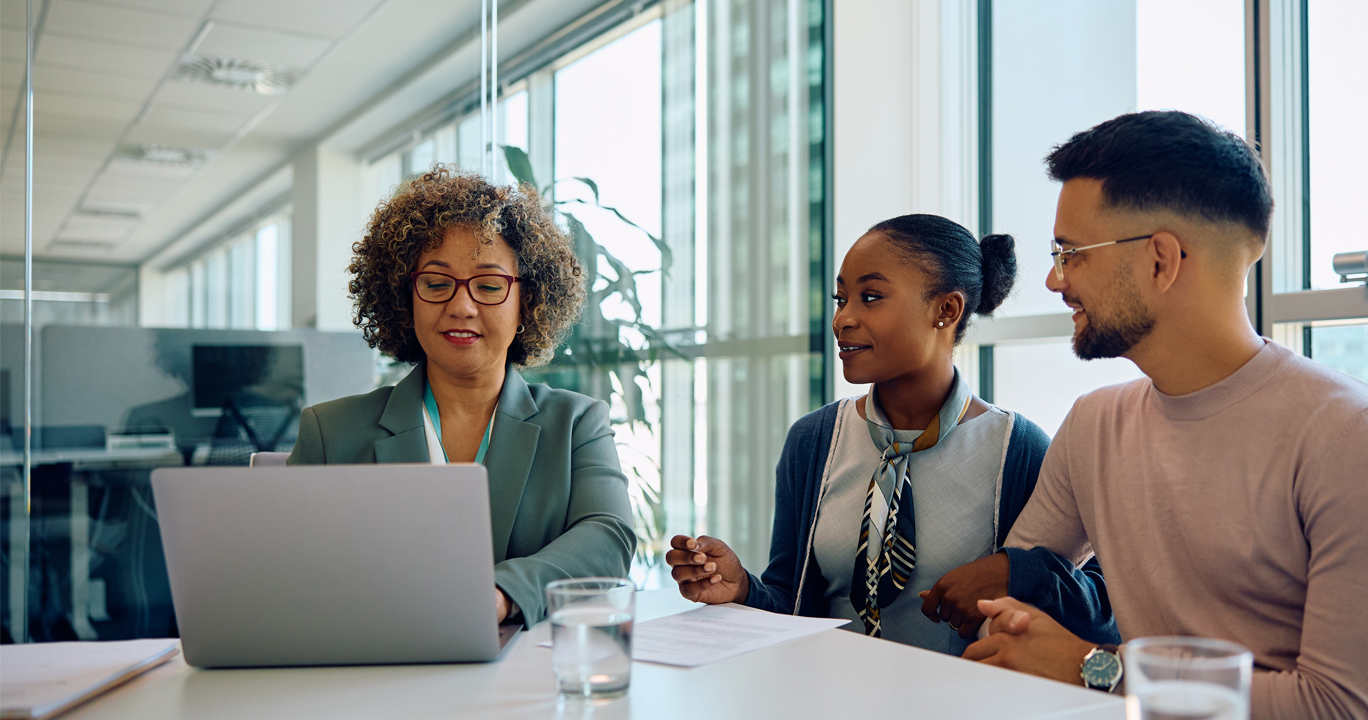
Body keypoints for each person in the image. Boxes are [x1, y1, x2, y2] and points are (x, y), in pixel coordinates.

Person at [935, 111, 1368, 718]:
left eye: (1071, 253)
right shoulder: (1095, 426)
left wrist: (1093, 668)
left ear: (1161, 260)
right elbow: (1012, 619)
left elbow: (1350, 709)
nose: (1054, 279)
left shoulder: (1357, 436)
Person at [665, 214, 1117, 656]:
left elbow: (1102, 606)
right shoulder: (813, 441)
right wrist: (742, 588)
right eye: (841, 299)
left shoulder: (1017, 450)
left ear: (946, 310)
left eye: (871, 296)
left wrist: (1016, 573)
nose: (843, 319)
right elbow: (792, 605)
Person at [287, 167, 636, 628]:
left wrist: (502, 594)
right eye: (436, 283)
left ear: (526, 304)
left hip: (526, 680)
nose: (462, 306)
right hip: (374, 675)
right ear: (403, 297)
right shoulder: (330, 433)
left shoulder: (576, 423)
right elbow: (289, 569)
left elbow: (607, 536)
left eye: (489, 286)